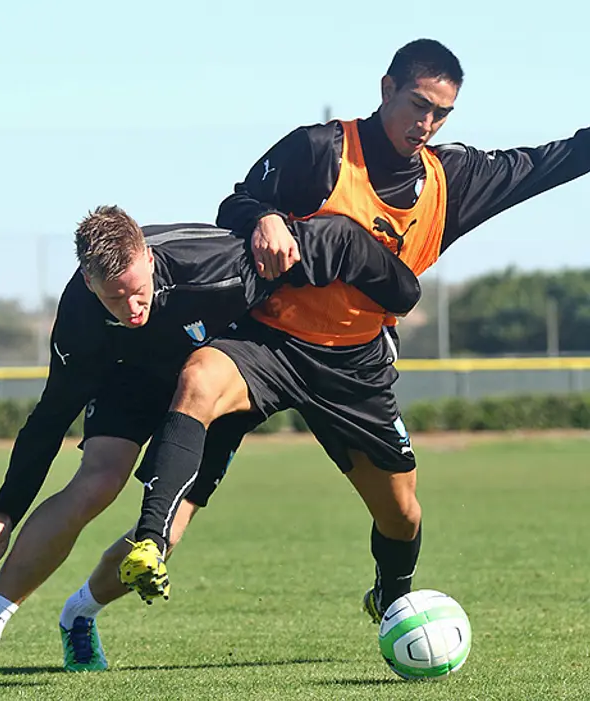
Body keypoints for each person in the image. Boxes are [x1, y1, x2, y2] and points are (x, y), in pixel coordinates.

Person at [118, 38, 590, 626]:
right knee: (199, 378)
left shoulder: (454, 180)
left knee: (403, 515)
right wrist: (264, 217)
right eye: (418, 103)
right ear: (386, 88)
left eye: (441, 112)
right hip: (271, 339)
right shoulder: (319, 149)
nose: (427, 122)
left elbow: (552, 160)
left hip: (354, 362)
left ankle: (392, 596)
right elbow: (236, 203)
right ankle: (148, 544)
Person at [0, 206, 420, 682]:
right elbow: (49, 418)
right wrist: (3, 516)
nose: (133, 309)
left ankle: (78, 614)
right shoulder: (80, 316)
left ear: (150, 260)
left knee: (167, 534)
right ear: (90, 284)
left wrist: (397, 294)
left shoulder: (219, 267)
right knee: (97, 483)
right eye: (115, 299)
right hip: (129, 381)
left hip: (210, 384)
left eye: (138, 291)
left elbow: (330, 237)